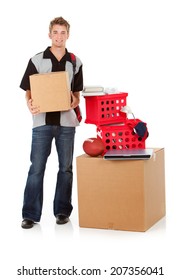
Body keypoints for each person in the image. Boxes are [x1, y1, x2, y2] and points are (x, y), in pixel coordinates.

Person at [20, 16, 83, 229]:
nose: (59, 36)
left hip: (67, 122)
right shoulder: (37, 60)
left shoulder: (75, 61)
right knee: (36, 168)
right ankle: (30, 214)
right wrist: (29, 103)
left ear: (68, 35)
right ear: (49, 34)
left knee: (65, 168)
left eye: (63, 32)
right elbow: (28, 88)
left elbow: (77, 94)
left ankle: (62, 211)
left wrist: (74, 100)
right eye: (55, 32)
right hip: (42, 123)